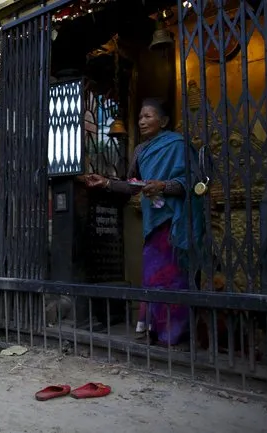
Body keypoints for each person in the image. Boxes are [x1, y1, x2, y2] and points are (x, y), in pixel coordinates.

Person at [85, 98, 203, 346]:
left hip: (175, 220)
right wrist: (105, 183)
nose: (142, 121)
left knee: (175, 277)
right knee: (153, 274)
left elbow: (192, 182)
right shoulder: (140, 151)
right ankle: (155, 332)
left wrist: (163, 185)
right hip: (154, 221)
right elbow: (132, 185)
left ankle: (177, 335)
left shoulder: (178, 145)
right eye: (140, 117)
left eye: (148, 116)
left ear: (164, 121)